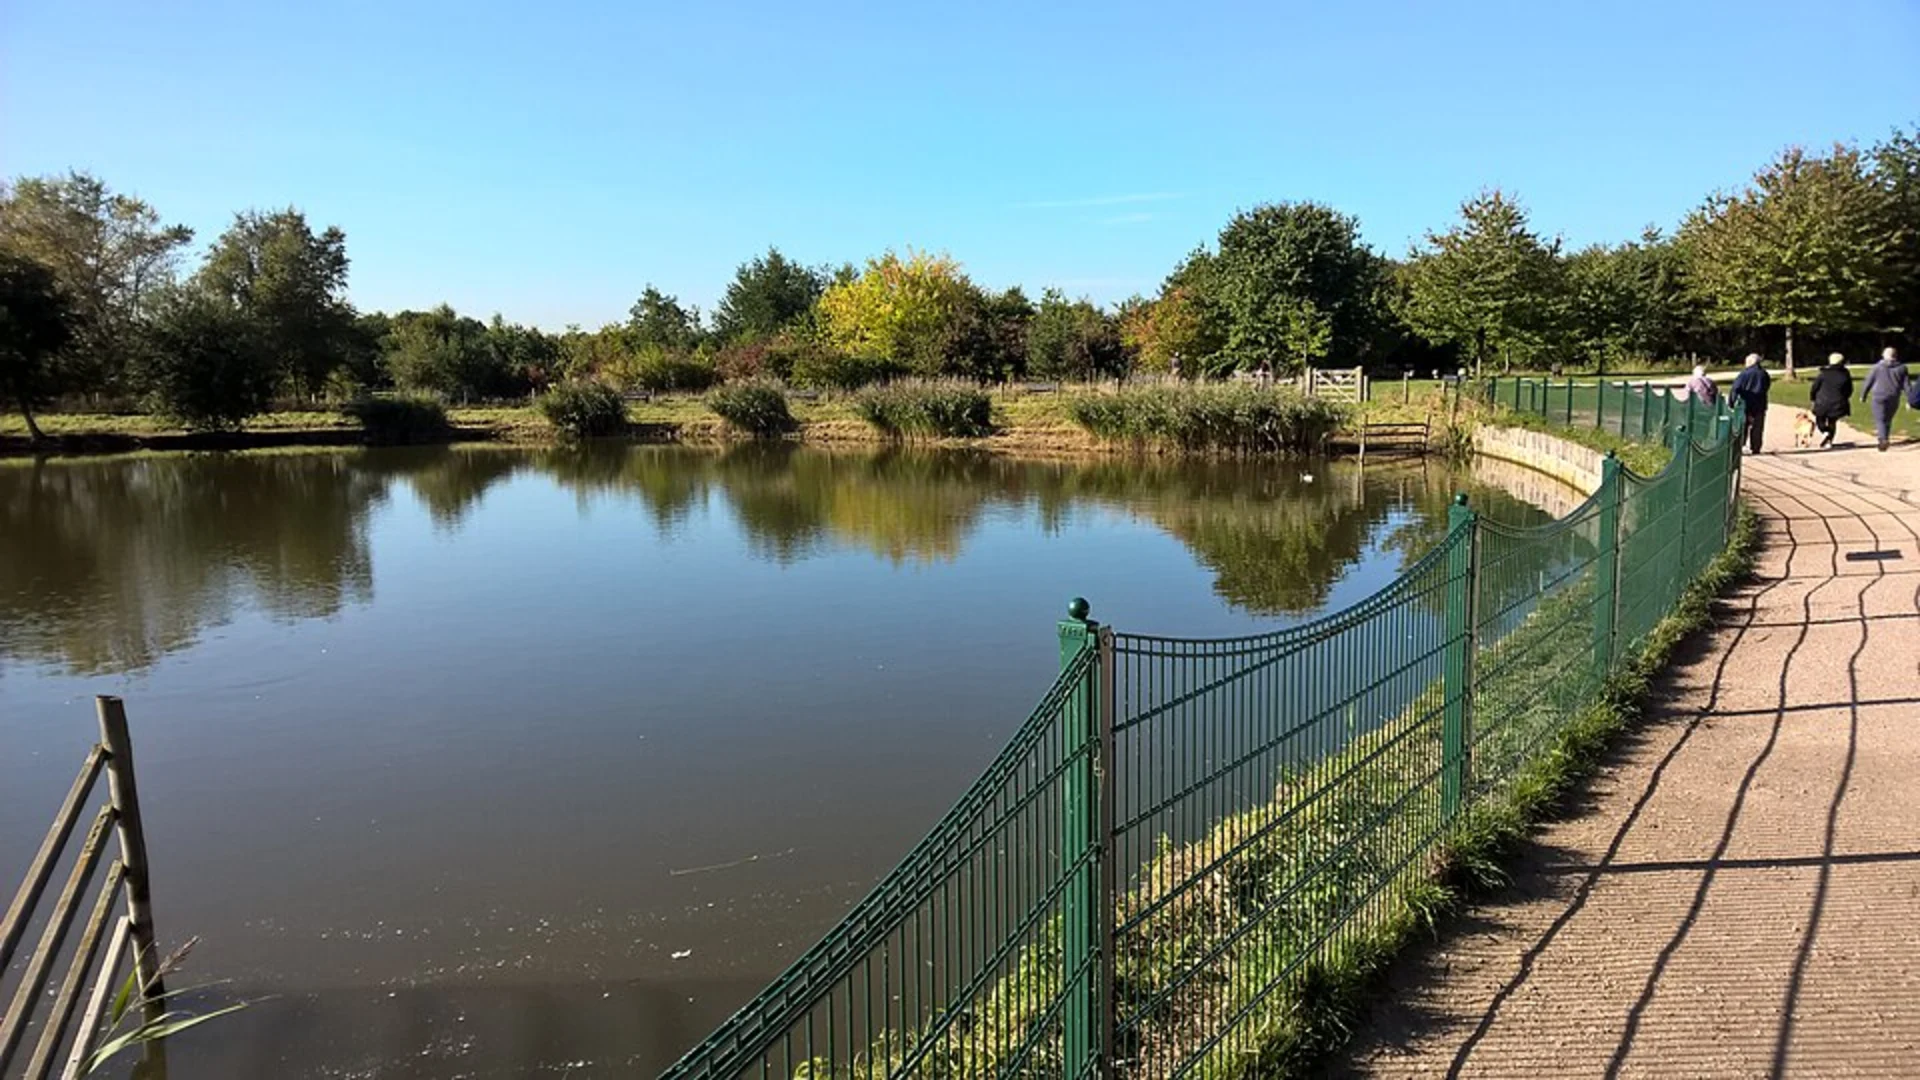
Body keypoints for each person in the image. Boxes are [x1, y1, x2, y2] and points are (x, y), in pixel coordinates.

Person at [1860, 346, 1910, 452]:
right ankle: (1885, 438)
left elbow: (1868, 382)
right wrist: (1909, 399)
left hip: (1878, 395)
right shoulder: (1902, 368)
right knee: (1887, 419)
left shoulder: (1877, 367)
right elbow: (1906, 386)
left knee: (1880, 419)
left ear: (1884, 355)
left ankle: (1883, 440)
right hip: (1893, 396)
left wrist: (1863, 395)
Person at [1808, 352, 1853, 448]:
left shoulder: (1823, 374)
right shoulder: (1845, 374)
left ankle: (1825, 432)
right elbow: (1849, 389)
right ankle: (1829, 440)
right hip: (1838, 403)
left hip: (1822, 403)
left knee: (1820, 419)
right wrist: (1845, 397)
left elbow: (1815, 387)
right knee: (1832, 422)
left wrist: (1812, 398)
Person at [1729, 353, 1771, 454]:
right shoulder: (1764, 374)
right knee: (1757, 428)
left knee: (1743, 426)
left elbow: (1735, 388)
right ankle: (1755, 447)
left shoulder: (1744, 374)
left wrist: (1732, 402)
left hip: (1746, 404)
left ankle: (1740, 446)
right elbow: (1767, 386)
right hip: (1760, 404)